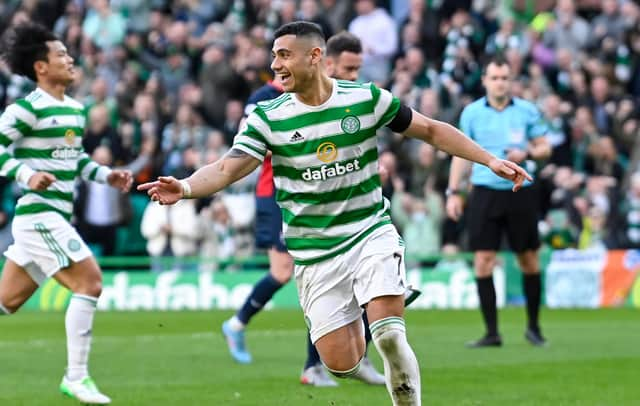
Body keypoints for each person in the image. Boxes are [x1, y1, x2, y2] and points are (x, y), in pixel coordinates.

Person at [139, 21, 531, 405]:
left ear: (314, 57)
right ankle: (360, 317)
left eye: (283, 55)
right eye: (273, 55)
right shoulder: (267, 117)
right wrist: (186, 187)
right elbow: (227, 168)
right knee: (341, 363)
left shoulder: (364, 99)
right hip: (314, 254)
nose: (275, 64)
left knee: (390, 336)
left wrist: (488, 160)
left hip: (368, 233)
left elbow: (429, 130)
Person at [221, 31, 389, 387]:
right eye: (348, 69)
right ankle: (245, 328)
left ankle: (342, 357)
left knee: (348, 277)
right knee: (293, 272)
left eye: (358, 70)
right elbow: (245, 152)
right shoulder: (267, 101)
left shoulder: (350, 101)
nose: (353, 78)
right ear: (323, 61)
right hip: (281, 196)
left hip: (334, 199)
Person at [0, 23, 133, 404]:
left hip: (55, 215)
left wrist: (107, 175)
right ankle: (76, 377)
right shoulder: (26, 110)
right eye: (61, 54)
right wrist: (26, 173)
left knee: (6, 301)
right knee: (89, 283)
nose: (70, 59)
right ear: (41, 67)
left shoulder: (75, 110)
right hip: (39, 215)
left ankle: (76, 377)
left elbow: (75, 162)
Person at [446, 55, 552, 348]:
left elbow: (545, 148)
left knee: (528, 259)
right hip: (484, 191)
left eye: (505, 78)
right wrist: (453, 192)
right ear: (485, 81)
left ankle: (534, 327)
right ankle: (491, 333)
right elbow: (459, 153)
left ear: (511, 80)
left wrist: (527, 153)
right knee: (483, 261)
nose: (500, 83)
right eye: (494, 78)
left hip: (521, 191)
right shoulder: (471, 113)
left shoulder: (527, 111)